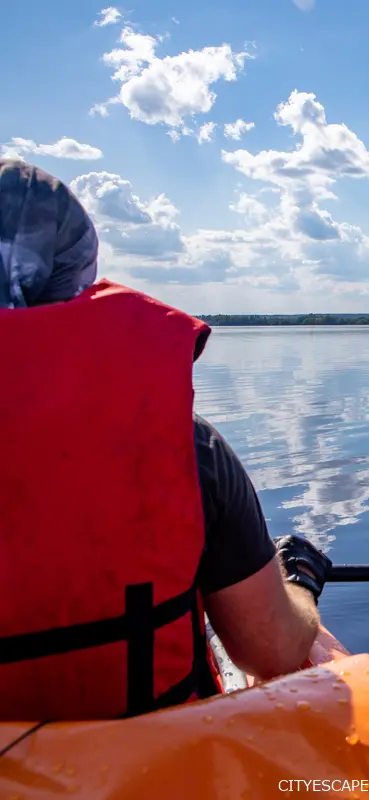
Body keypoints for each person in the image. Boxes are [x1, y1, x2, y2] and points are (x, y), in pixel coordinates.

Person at [0, 158, 331, 721]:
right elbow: (272, 652)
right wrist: (299, 582)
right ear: (79, 275)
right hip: (135, 763)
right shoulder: (186, 446)